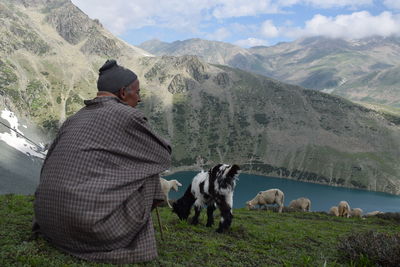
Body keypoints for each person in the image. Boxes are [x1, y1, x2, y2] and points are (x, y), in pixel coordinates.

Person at [33, 59, 171, 264]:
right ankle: (129, 233)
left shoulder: (74, 118)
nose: (139, 98)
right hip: (89, 228)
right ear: (124, 93)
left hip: (48, 221)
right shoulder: (128, 115)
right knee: (150, 171)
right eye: (137, 92)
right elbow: (162, 155)